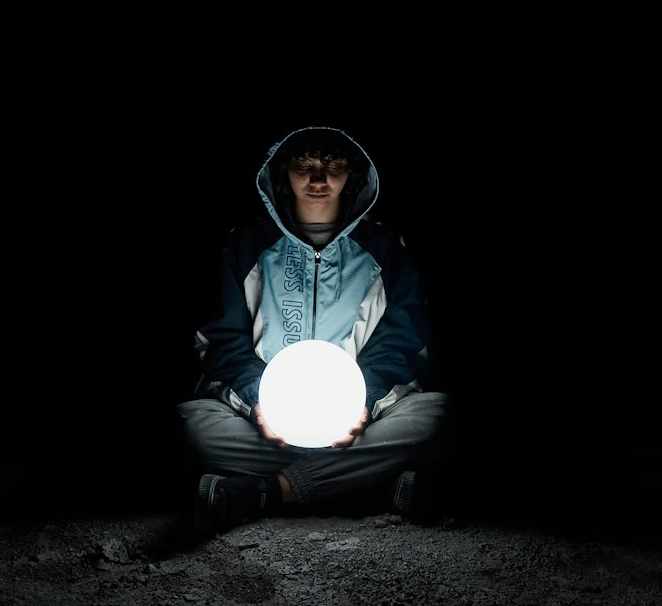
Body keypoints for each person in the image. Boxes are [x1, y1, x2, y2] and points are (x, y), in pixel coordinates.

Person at [178, 125, 457, 537]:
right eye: (304, 165)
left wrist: (365, 405)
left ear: (354, 173)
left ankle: (269, 492)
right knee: (194, 423)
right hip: (268, 424)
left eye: (333, 165)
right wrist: (259, 406)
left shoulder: (384, 248)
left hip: (359, 424)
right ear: (282, 172)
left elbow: (403, 341)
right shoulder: (246, 245)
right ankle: (366, 487)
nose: (318, 180)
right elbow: (223, 340)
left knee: (439, 416)